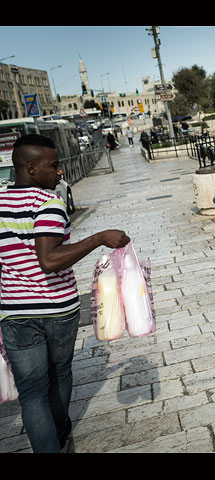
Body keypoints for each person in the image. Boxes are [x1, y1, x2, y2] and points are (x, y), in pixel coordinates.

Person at [0, 134, 130, 453]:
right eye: (53, 165)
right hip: (56, 308)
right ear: (30, 167)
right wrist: (99, 237)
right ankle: (59, 436)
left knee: (31, 393)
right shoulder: (48, 202)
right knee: (57, 378)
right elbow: (49, 260)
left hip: (15, 313)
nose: (60, 172)